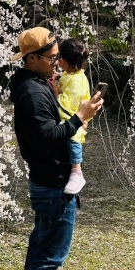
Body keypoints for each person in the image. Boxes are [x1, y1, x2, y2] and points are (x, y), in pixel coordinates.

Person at [9, 27, 103, 270]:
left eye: (57, 58)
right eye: (51, 59)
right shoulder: (33, 93)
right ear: (31, 59)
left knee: (40, 247)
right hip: (53, 184)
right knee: (49, 253)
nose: (57, 64)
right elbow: (47, 138)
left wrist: (78, 117)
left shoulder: (35, 84)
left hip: (51, 180)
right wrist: (79, 118)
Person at [54, 38, 91, 195]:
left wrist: (56, 93)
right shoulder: (71, 75)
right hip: (74, 118)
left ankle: (77, 171)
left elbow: (67, 107)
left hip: (74, 119)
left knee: (73, 140)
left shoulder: (76, 81)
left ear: (62, 60)